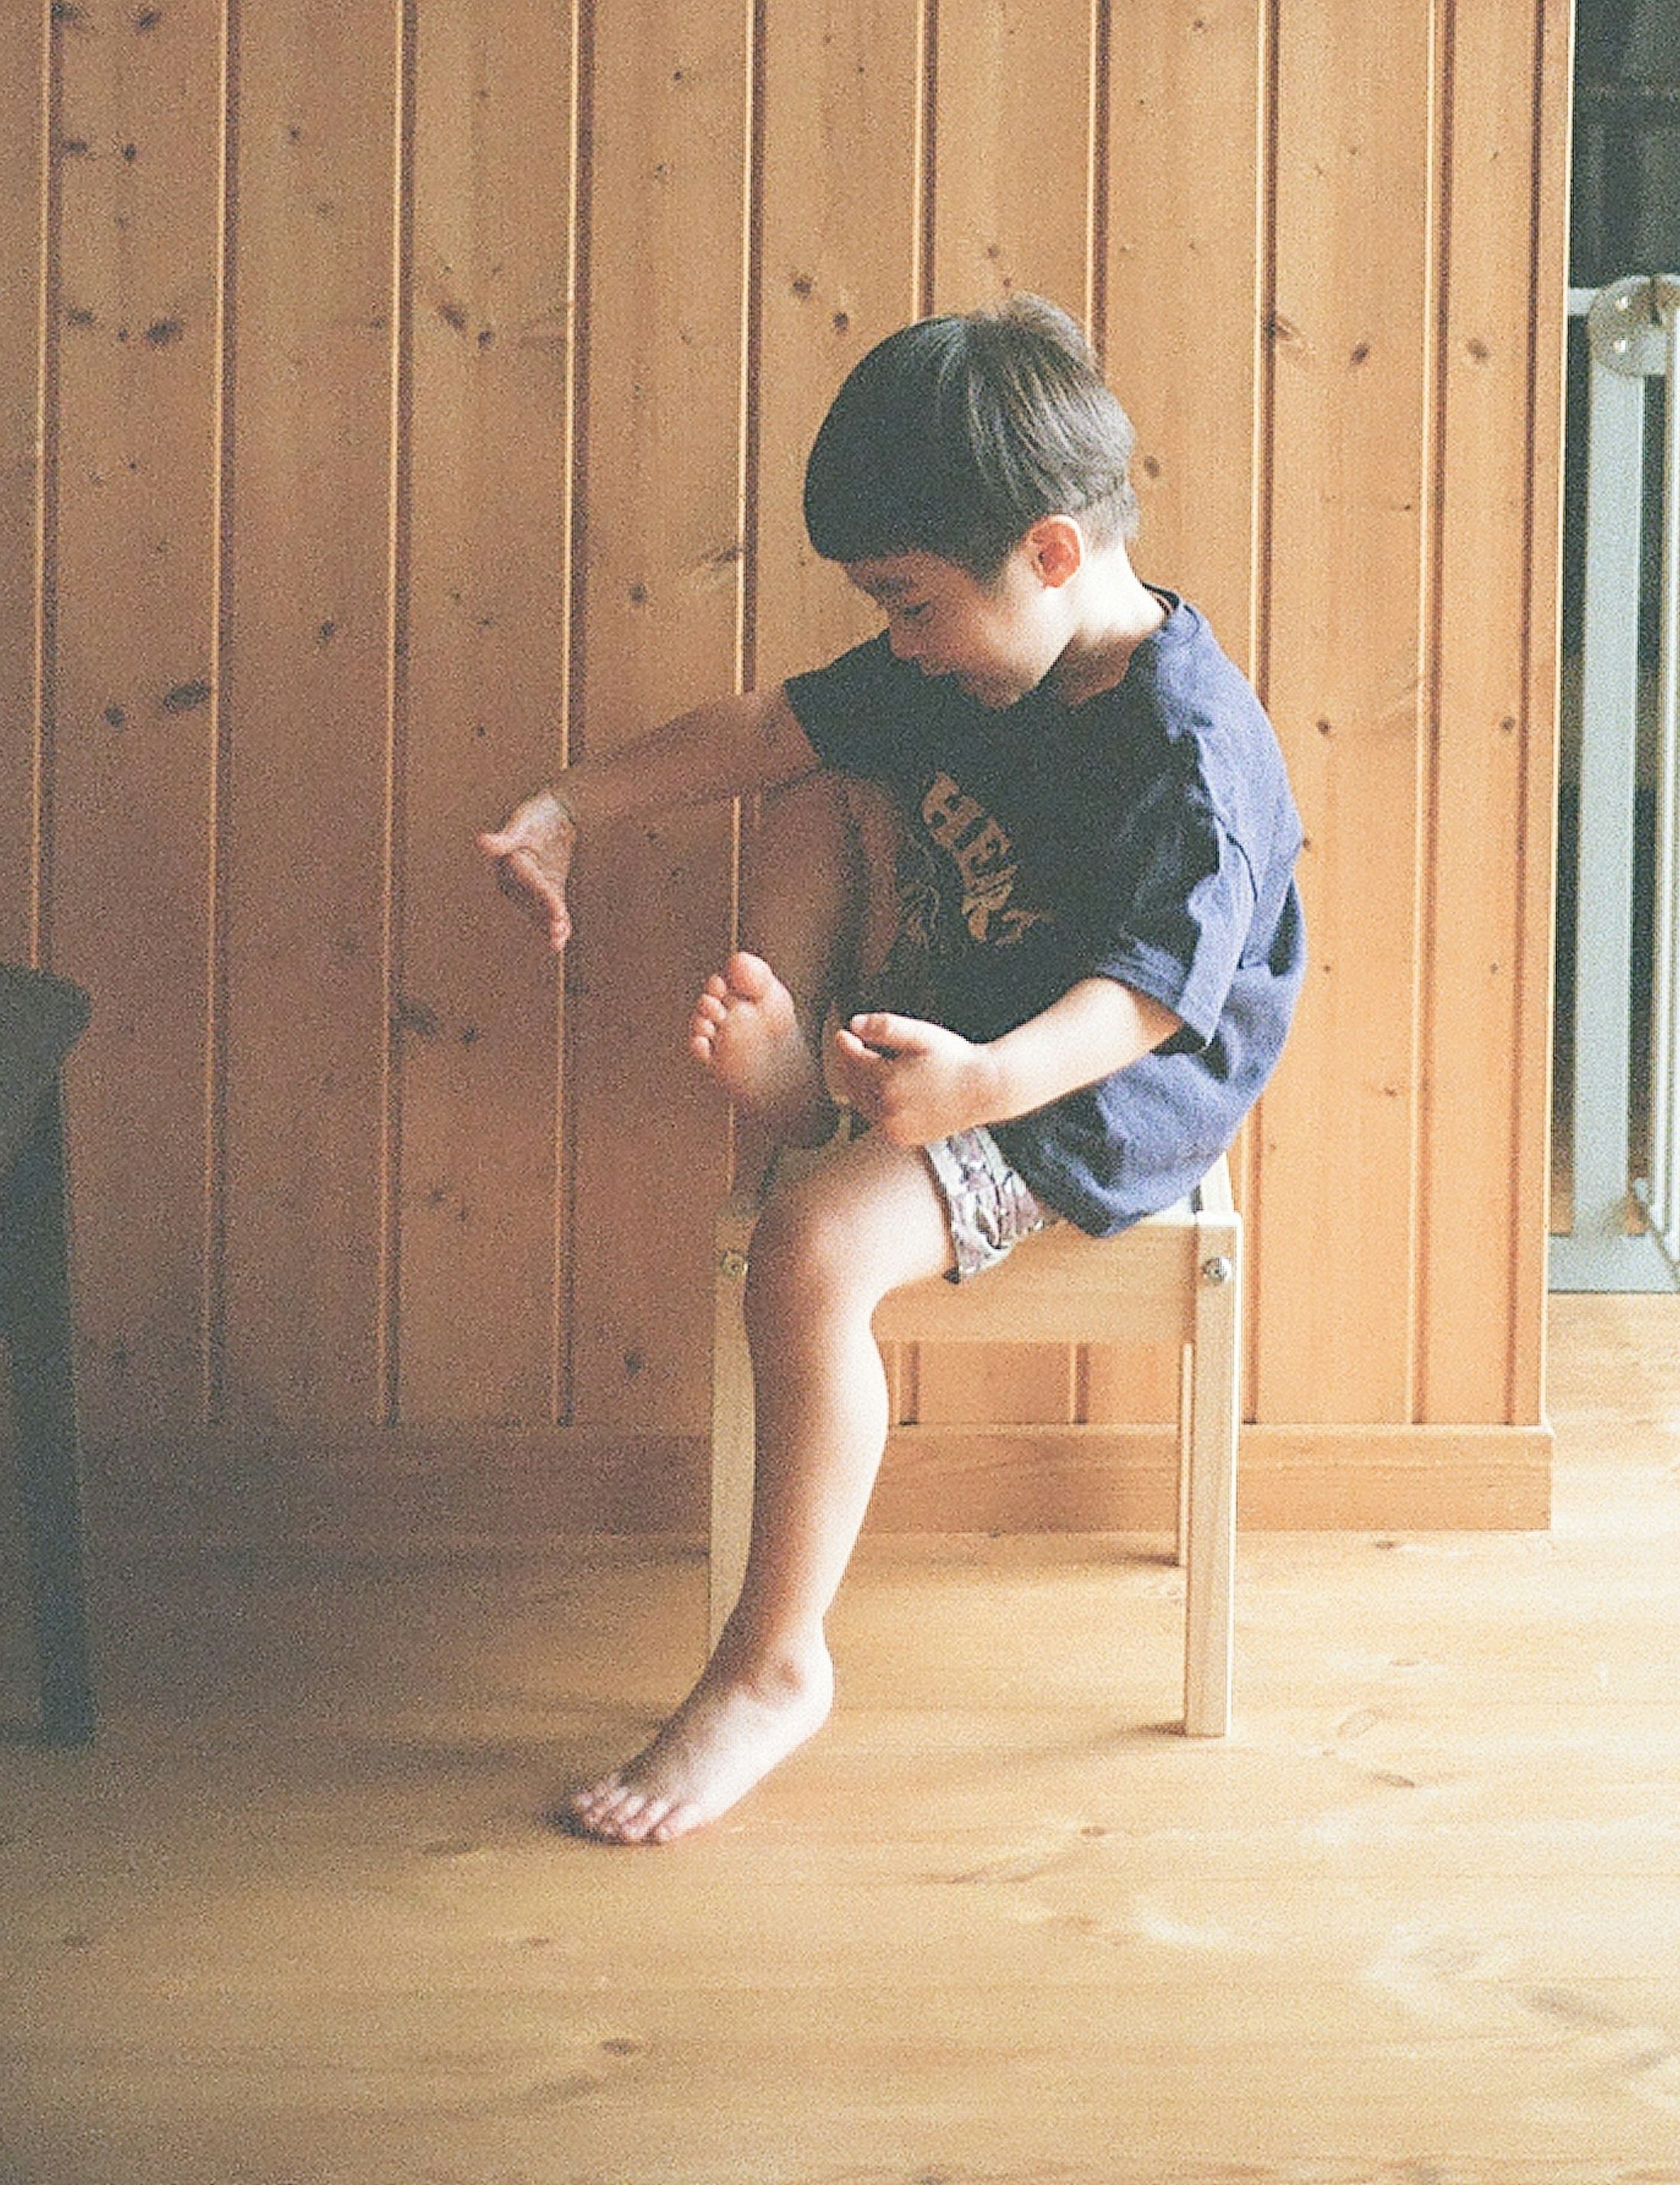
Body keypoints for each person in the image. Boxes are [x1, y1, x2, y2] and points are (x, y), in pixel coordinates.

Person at [481, 295, 1304, 1844]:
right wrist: (568, 807)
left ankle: (771, 1666)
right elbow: (760, 729)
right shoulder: (971, 661)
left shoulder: (1195, 754)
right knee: (823, 763)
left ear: (1052, 554)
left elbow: (1141, 1009)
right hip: (956, 1015)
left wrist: (980, 1087)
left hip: (1090, 1091)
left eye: (912, 603)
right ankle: (812, 1084)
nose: (898, 640)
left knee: (805, 1249)